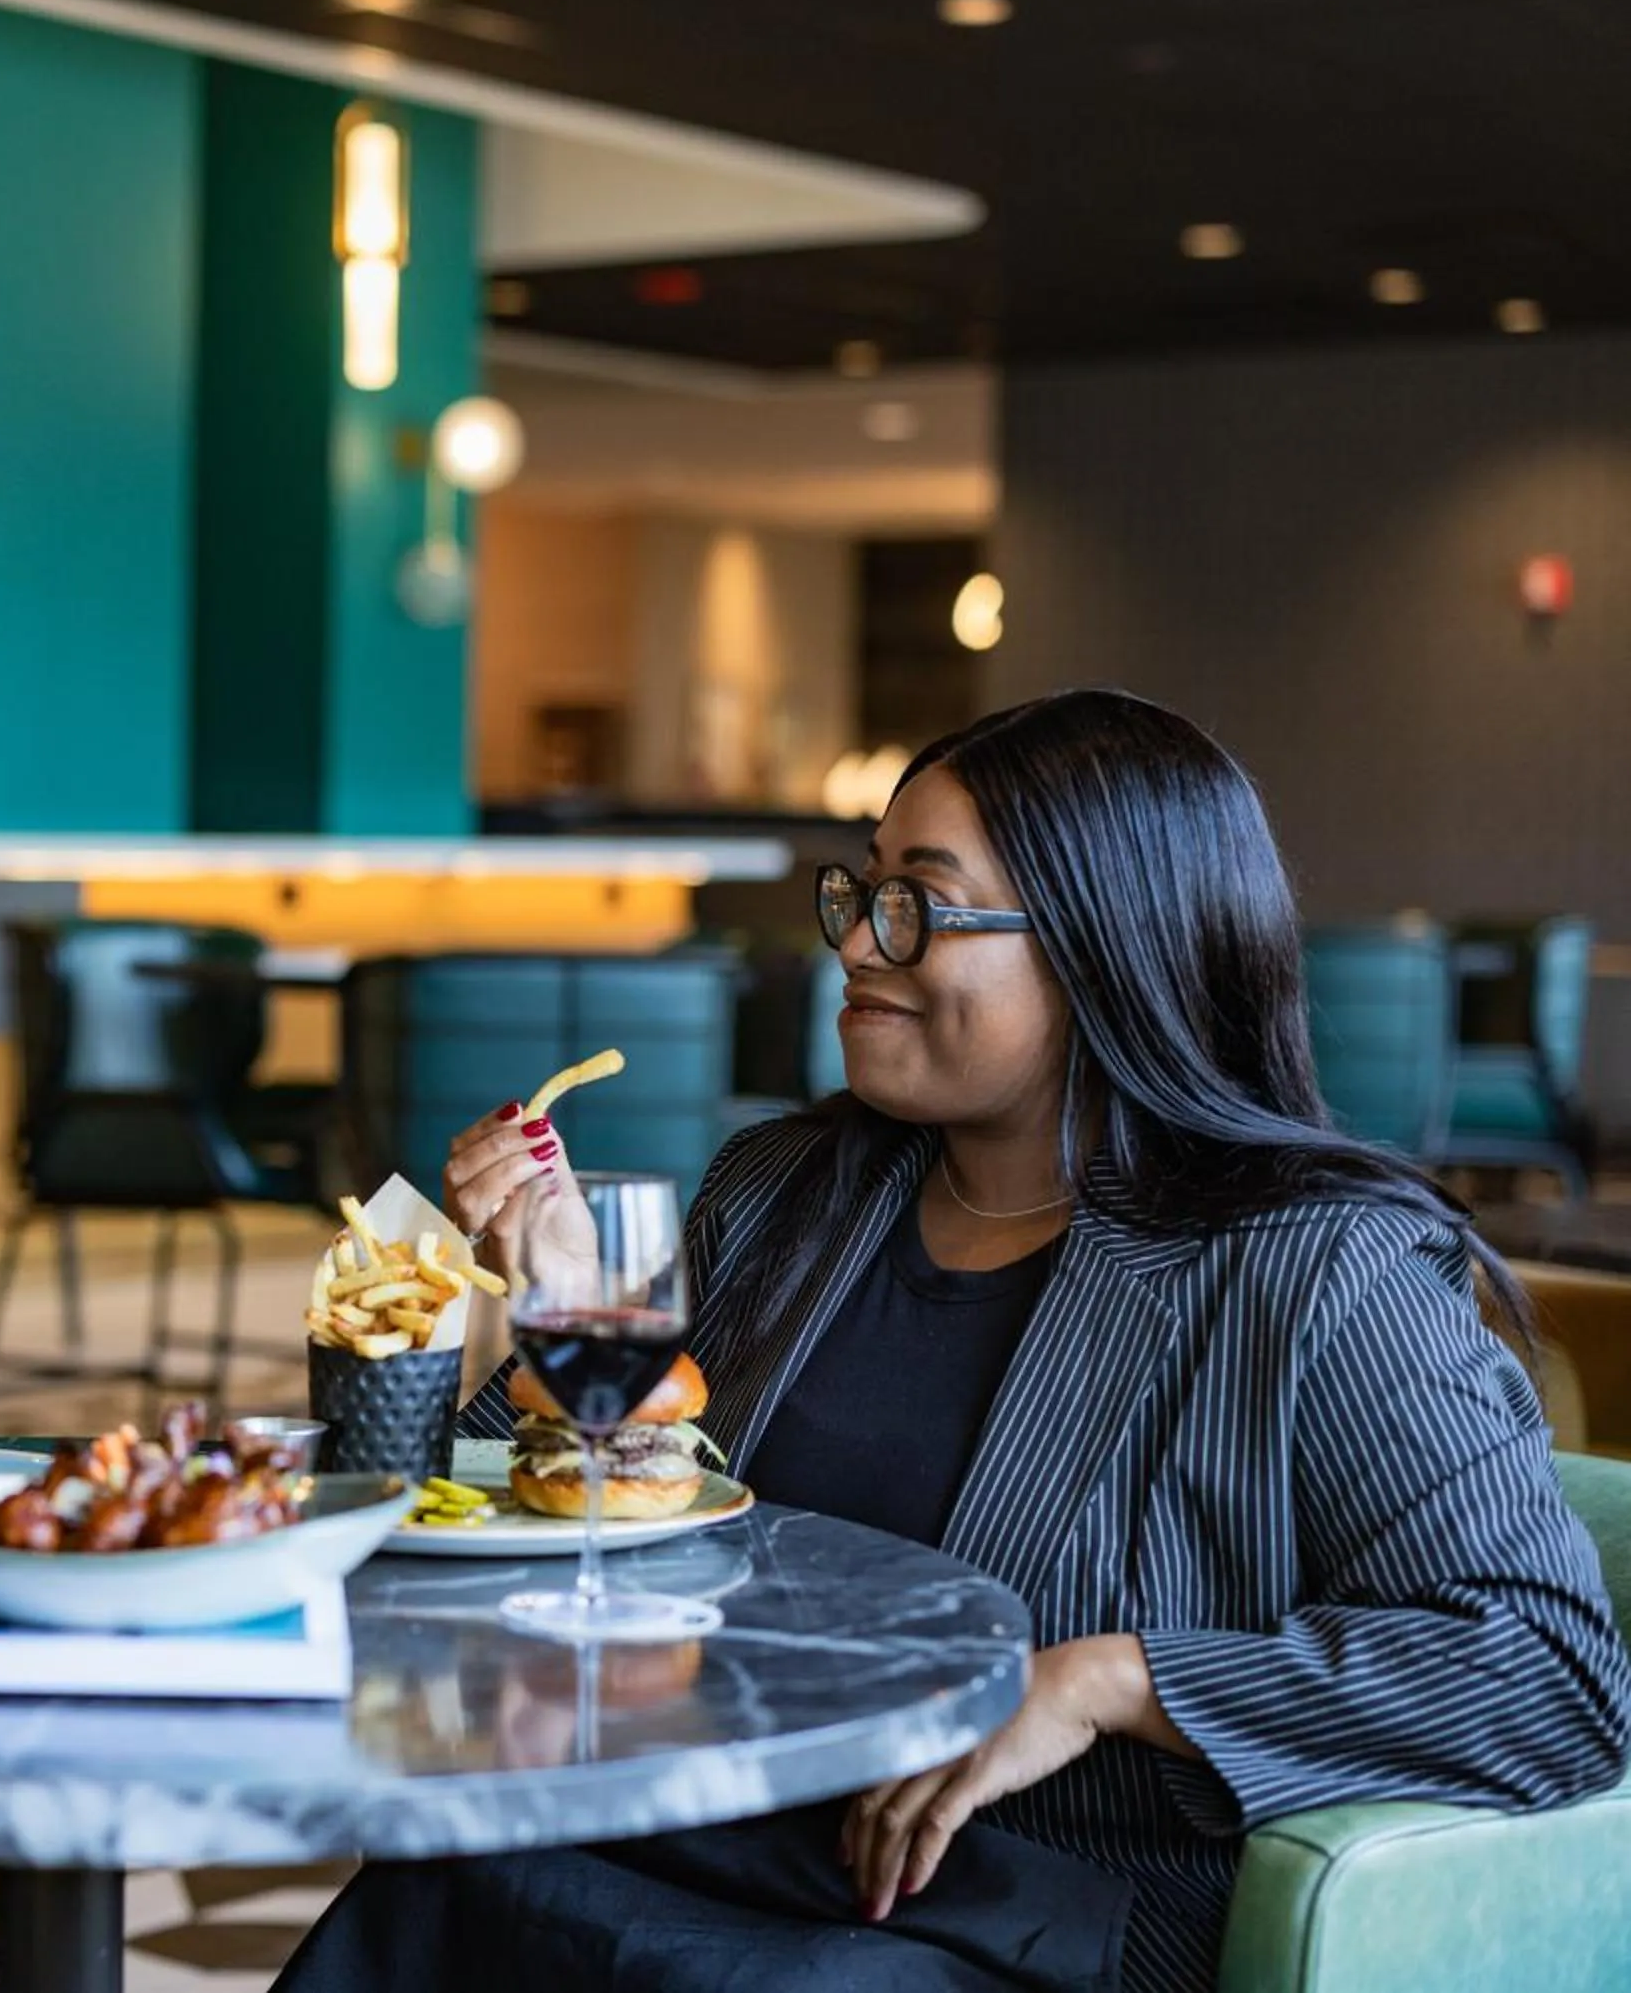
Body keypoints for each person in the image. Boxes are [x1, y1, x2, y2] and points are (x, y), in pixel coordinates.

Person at [278, 689, 1631, 1993]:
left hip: (1021, 1911)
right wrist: (570, 1311)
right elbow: (595, 1529)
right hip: (717, 1825)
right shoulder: (788, 1190)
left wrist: (1108, 1678)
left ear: (1109, 945)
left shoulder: (1320, 1270)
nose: (859, 944)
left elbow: (1545, 1674)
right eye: (862, 893)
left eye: (916, 905)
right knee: (435, 1882)